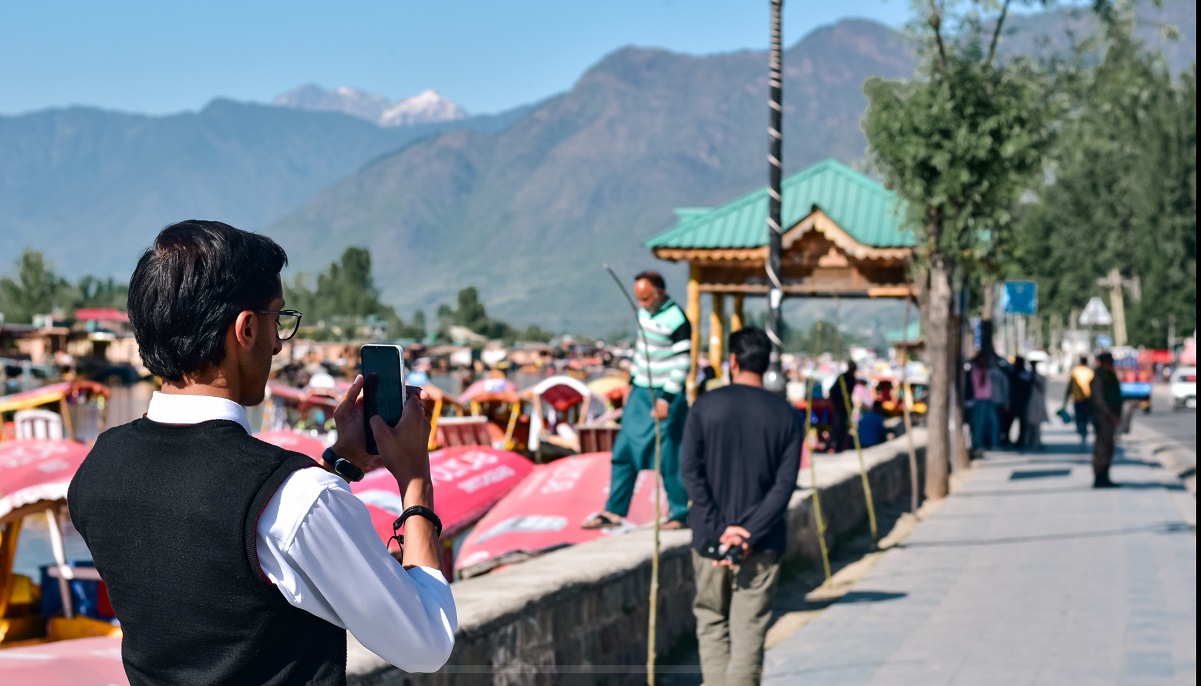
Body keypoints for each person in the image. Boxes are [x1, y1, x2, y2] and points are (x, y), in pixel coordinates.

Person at [68, 221, 456, 685]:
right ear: (247, 328)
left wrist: (340, 462)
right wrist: (416, 483)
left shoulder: (99, 469)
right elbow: (426, 643)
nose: (276, 345)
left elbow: (217, 536)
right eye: (278, 320)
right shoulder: (299, 496)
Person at [680, 327, 803, 686]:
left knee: (711, 620)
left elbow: (690, 472)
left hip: (709, 539)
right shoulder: (785, 415)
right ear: (765, 364)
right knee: (749, 628)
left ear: (732, 360)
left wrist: (721, 529)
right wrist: (748, 532)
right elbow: (784, 485)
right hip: (762, 541)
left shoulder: (704, 407)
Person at [582, 270, 691, 530]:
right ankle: (614, 510)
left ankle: (679, 513)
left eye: (646, 299)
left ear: (660, 293)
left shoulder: (677, 319)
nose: (642, 304)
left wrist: (667, 398)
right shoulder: (643, 314)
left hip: (666, 393)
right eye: (638, 299)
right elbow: (642, 351)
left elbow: (683, 362)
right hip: (641, 391)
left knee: (669, 454)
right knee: (623, 450)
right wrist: (631, 383)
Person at [1090, 351, 1124, 488]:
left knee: (1108, 447)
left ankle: (1105, 476)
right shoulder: (1099, 377)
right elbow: (1099, 400)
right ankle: (1100, 477)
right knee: (1102, 448)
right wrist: (1110, 414)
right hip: (1102, 418)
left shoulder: (1109, 376)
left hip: (1109, 418)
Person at [969, 353, 1006, 452]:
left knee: (994, 423)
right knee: (979, 424)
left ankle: (994, 443)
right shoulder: (975, 372)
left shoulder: (989, 372)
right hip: (979, 401)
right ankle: (977, 444)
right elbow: (979, 384)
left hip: (989, 400)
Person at [827, 361, 858, 453]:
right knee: (838, 426)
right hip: (841, 406)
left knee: (842, 426)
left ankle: (838, 445)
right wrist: (837, 401)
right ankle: (833, 445)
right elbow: (833, 390)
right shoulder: (845, 377)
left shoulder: (850, 378)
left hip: (844, 406)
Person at [1062, 355, 1094, 444]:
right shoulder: (1090, 372)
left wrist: (1065, 400)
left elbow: (1070, 386)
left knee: (1079, 417)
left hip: (1078, 399)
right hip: (1088, 399)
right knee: (1086, 417)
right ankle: (1084, 432)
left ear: (1080, 362)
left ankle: (1081, 431)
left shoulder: (1075, 372)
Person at [1004, 356, 1032, 449]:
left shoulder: (1024, 374)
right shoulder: (1014, 373)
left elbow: (1028, 389)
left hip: (1020, 403)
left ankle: (1020, 440)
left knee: (1021, 423)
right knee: (1009, 422)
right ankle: (1007, 439)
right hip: (1014, 402)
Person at [1024, 361, 1049, 450]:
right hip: (1030, 403)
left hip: (1037, 403)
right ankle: (1027, 441)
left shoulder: (1040, 377)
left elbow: (1042, 387)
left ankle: (1036, 441)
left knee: (1036, 425)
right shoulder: (1027, 376)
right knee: (1028, 424)